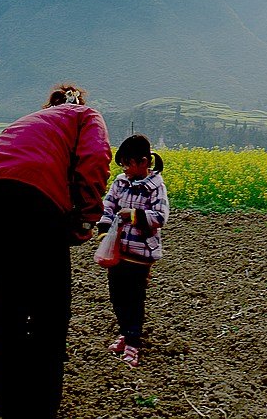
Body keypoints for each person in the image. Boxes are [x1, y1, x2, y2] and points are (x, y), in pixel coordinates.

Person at [0, 84, 112, 419]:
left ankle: (6, 402)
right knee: (50, 310)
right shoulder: (85, 115)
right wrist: (88, 219)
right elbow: (95, 159)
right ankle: (43, 405)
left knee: (8, 306)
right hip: (34, 199)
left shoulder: (28, 121)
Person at [97, 134, 169, 368]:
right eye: (123, 164)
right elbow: (108, 207)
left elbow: (160, 217)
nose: (126, 169)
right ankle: (125, 333)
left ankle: (133, 343)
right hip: (118, 251)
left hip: (140, 254)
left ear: (144, 161)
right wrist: (103, 232)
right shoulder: (120, 182)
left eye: (129, 163)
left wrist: (134, 215)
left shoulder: (156, 186)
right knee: (117, 297)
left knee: (134, 299)